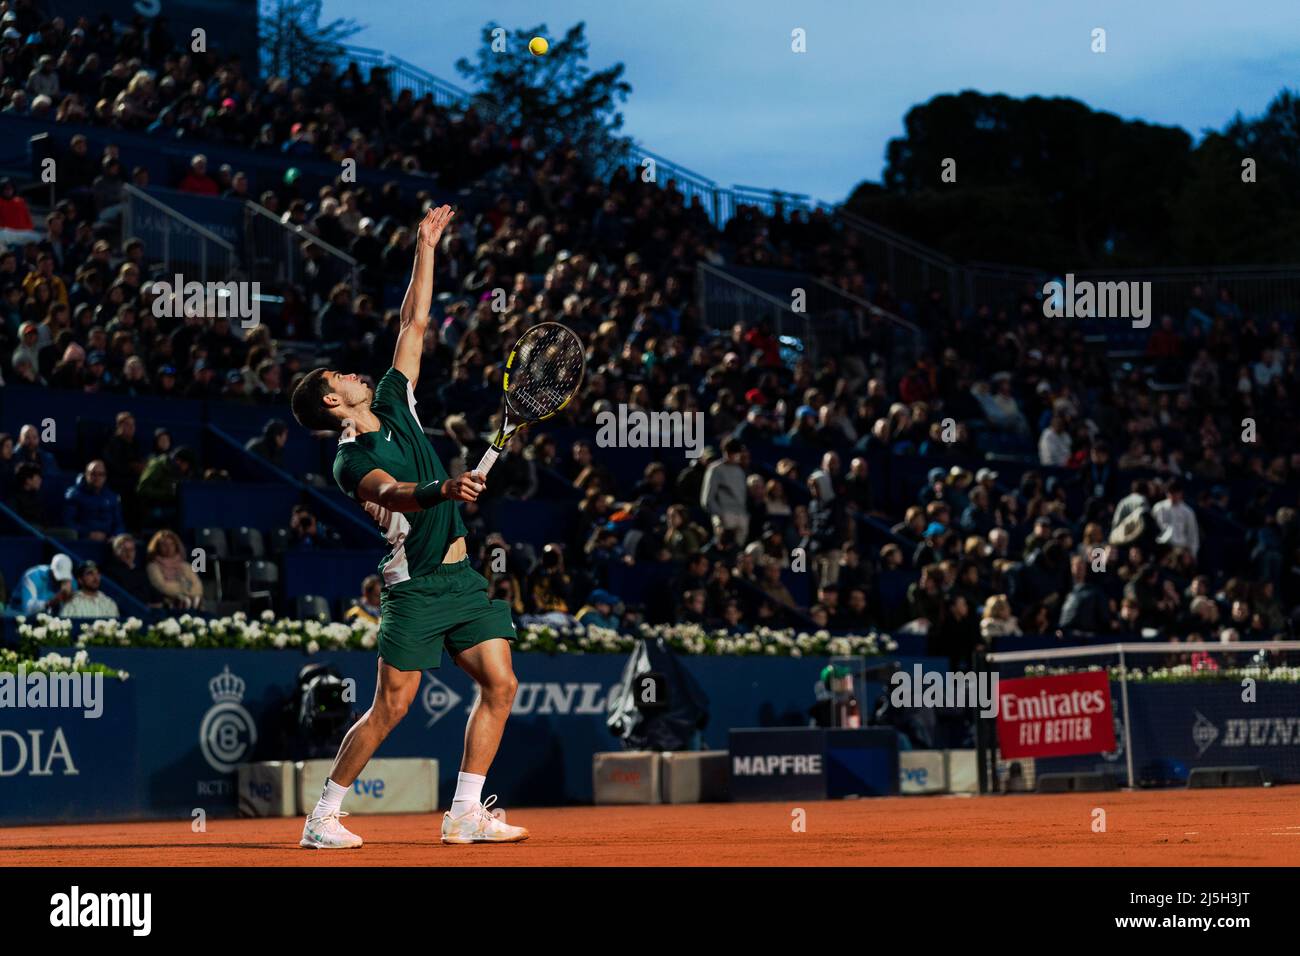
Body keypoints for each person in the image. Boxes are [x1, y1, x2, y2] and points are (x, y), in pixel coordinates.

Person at [289, 205, 527, 849]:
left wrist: (425, 246)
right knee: (390, 707)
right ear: (334, 402)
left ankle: (463, 813)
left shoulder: (395, 400)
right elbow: (392, 493)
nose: (353, 371)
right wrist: (443, 488)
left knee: (501, 685)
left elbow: (413, 321)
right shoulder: (350, 459)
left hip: (461, 577)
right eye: (341, 376)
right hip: (415, 585)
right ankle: (322, 818)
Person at [62, 459, 125, 540]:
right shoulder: (74, 495)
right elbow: (68, 522)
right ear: (86, 475)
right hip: (83, 540)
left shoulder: (112, 497)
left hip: (109, 541)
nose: (97, 478)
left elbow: (119, 523)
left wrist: (115, 536)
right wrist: (87, 533)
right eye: (93, 474)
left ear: (105, 477)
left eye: (101, 474)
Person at [145, 529, 204, 609]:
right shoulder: (153, 566)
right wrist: (185, 587)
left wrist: (186, 593)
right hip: (167, 601)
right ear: (157, 547)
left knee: (197, 600)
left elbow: (198, 587)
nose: (168, 548)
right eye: (164, 545)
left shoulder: (185, 566)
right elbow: (163, 587)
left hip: (189, 599)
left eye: (171, 544)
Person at [105, 533, 152, 604]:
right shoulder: (110, 572)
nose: (129, 554)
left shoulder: (140, 571)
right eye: (125, 550)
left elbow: (151, 593)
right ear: (116, 552)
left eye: (131, 550)